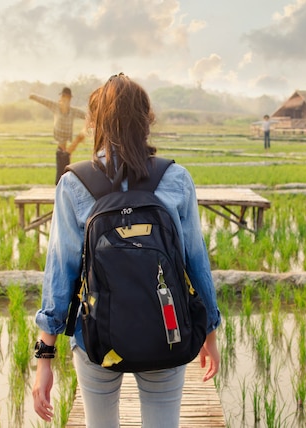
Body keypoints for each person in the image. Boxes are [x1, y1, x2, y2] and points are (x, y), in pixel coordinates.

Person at [32, 73, 221, 428]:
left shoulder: (74, 183)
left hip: (96, 339)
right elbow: (196, 262)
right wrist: (209, 332)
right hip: (169, 333)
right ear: (147, 120)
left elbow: (61, 271)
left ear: (92, 123)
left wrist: (45, 357)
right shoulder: (175, 178)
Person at [30, 87, 87, 184]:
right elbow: (44, 101)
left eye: (66, 98)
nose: (64, 100)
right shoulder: (55, 106)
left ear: (69, 99)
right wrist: (33, 96)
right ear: (61, 98)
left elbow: (86, 115)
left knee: (65, 175)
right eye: (63, 97)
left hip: (67, 148)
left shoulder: (73, 111)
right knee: (61, 176)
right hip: (60, 146)